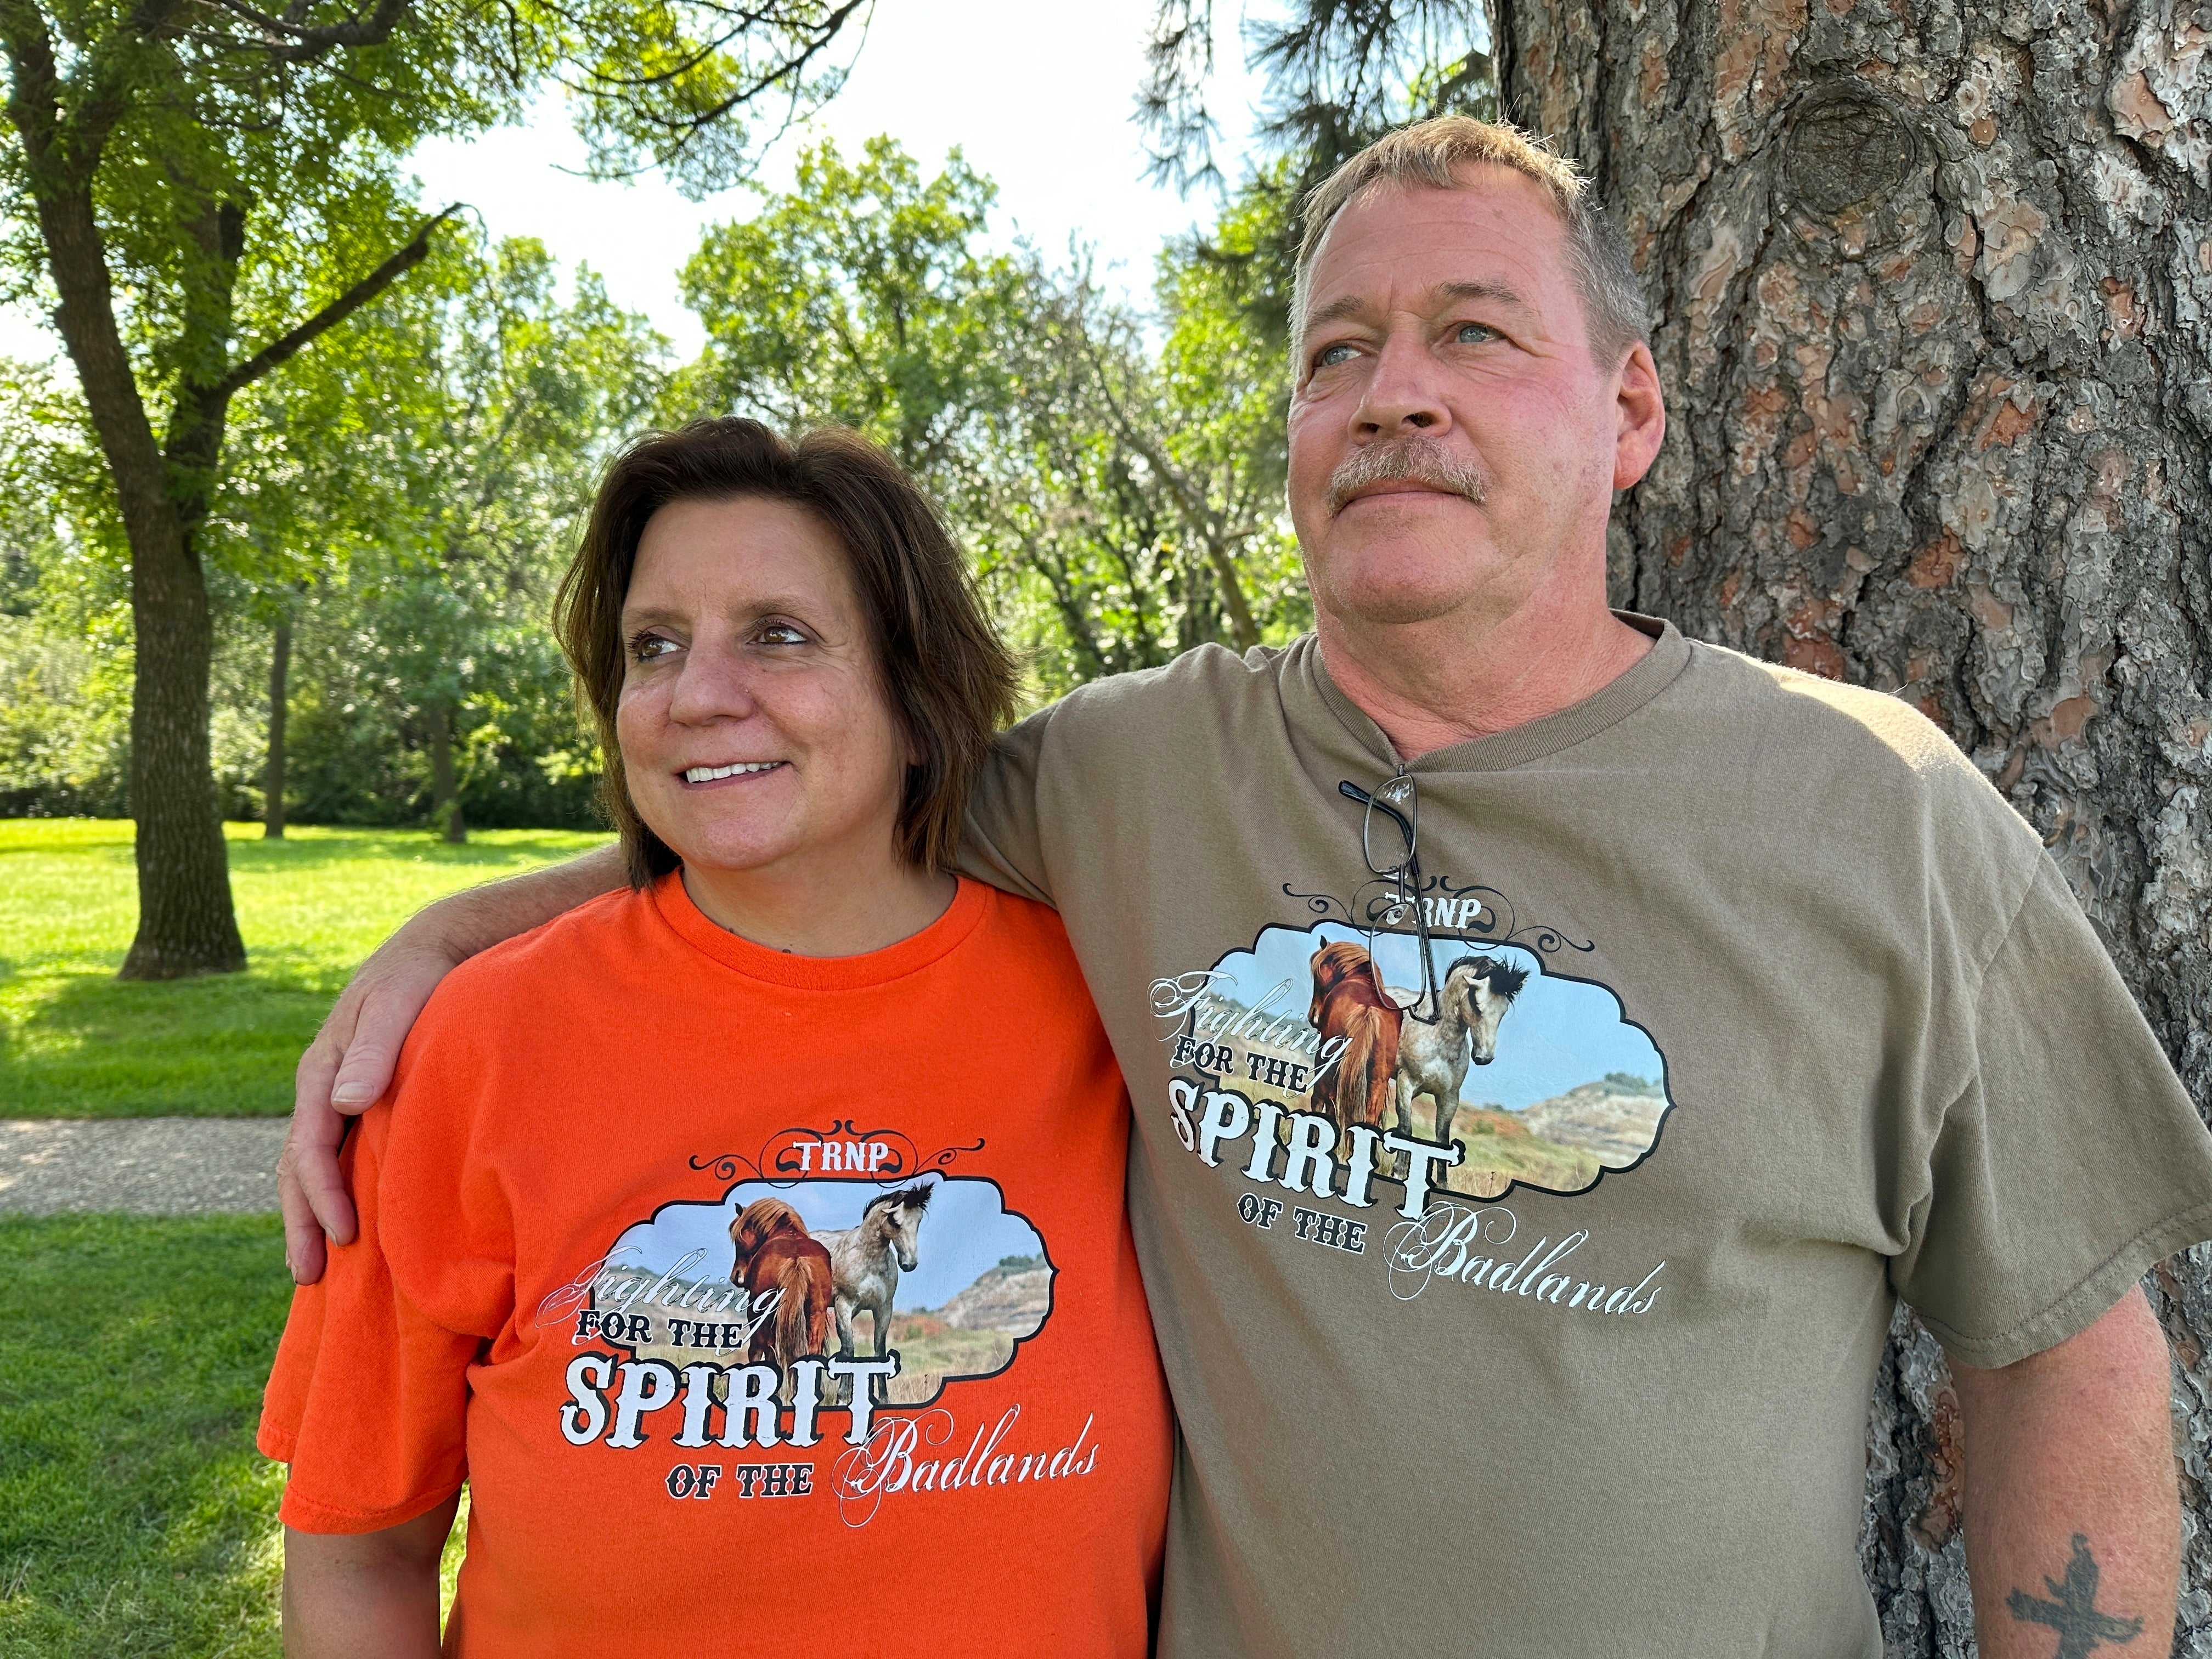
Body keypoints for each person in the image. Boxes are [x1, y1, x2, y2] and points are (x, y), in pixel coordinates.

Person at [280, 117, 2212, 1657]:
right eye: (1336, 353)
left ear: (1622, 412)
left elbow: (2063, 1343)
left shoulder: (1879, 810)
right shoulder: (1131, 780)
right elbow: (800, 791)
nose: (1392, 394)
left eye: (1475, 331)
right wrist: (461, 931)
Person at [261, 420, 1173, 1655]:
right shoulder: (476, 1044)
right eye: (655, 648)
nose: (698, 696)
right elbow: (357, 1550)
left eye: (779, 635)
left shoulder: (1112, 996)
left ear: (917, 699)